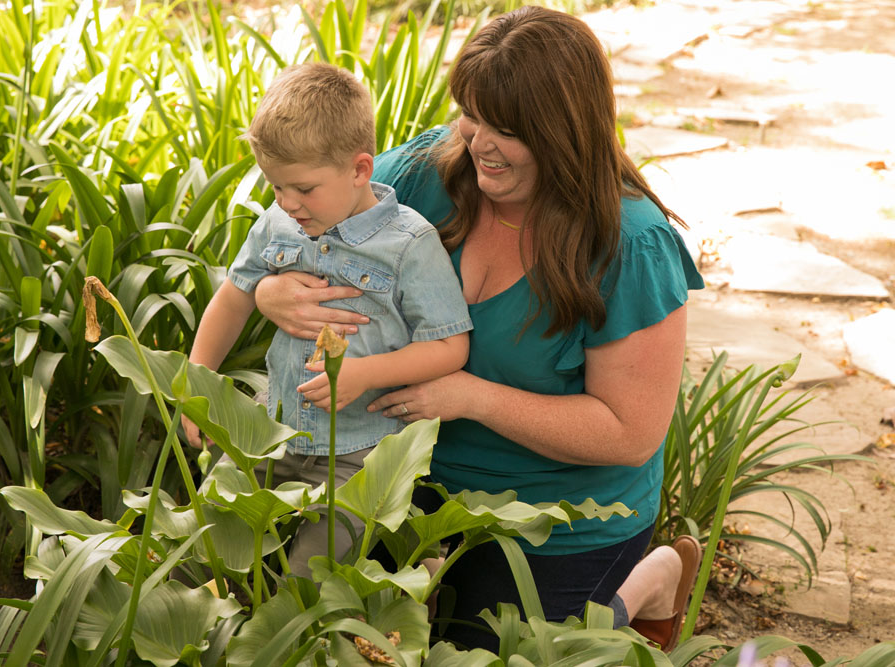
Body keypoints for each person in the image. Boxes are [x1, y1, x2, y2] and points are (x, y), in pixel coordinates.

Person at [253, 6, 706, 651]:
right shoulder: (422, 178)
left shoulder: (629, 245)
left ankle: (647, 582)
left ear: (564, 133)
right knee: (318, 631)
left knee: (504, 656)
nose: (478, 143)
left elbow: (630, 433)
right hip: (390, 479)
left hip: (554, 516)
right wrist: (272, 292)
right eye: (473, 114)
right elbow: (298, 215)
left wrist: (471, 396)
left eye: (507, 130)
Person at [184, 62, 473, 577]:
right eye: (276, 188)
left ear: (361, 170)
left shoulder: (410, 244)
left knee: (309, 578)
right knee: (202, 547)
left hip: (360, 452)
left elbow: (450, 347)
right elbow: (233, 298)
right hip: (271, 428)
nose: (287, 203)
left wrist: (364, 373)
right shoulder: (278, 224)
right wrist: (195, 387)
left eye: (304, 189)